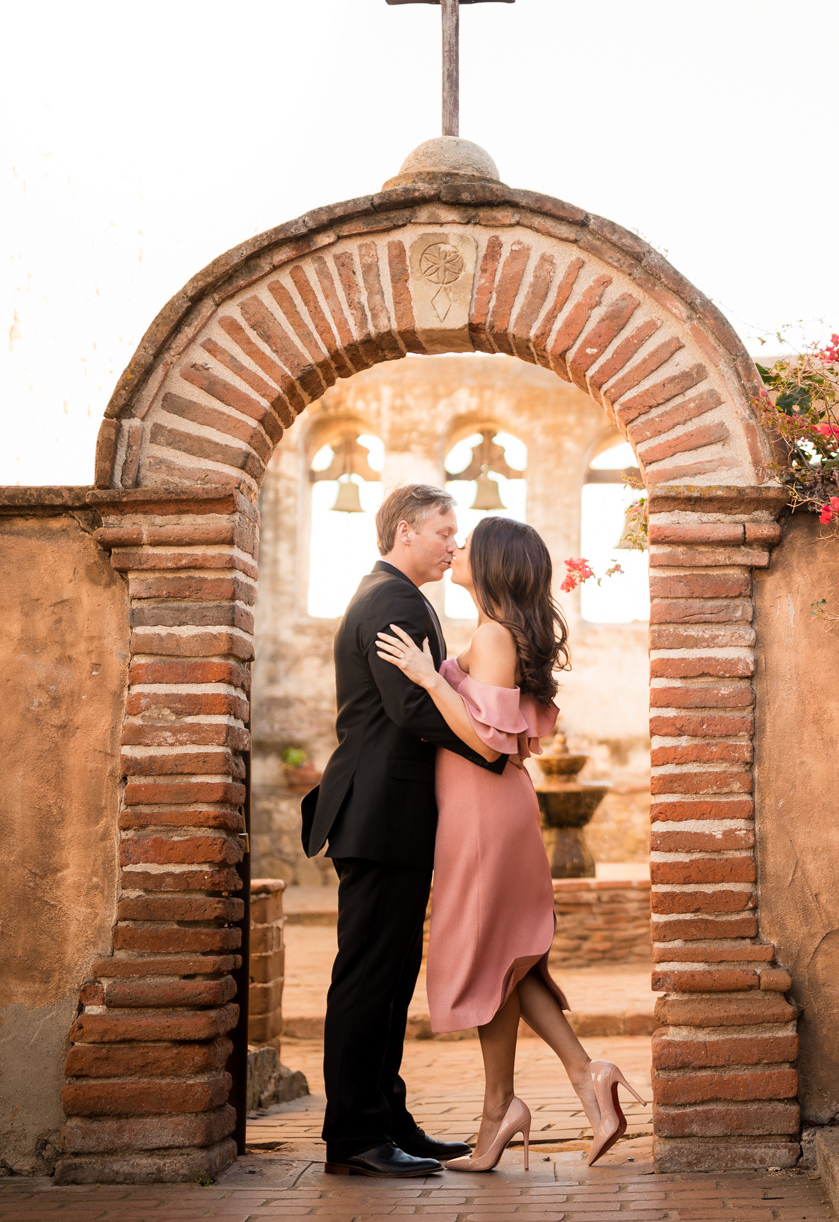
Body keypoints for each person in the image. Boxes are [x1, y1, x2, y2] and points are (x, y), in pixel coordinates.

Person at [375, 514, 648, 1171]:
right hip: (476, 813)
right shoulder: (492, 632)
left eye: (469, 543)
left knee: (493, 955)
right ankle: (564, 1086)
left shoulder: (495, 635)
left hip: (486, 813)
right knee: (505, 961)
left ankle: (524, 1100)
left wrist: (429, 677)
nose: (457, 547)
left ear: (494, 562)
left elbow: (490, 745)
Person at [298, 483, 485, 1177]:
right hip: (380, 814)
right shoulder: (395, 600)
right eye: (443, 530)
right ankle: (353, 1136)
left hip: (388, 814)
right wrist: (490, 745)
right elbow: (411, 707)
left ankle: (388, 1118)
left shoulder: (392, 595)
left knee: (388, 976)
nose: (452, 543)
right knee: (368, 978)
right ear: (405, 530)